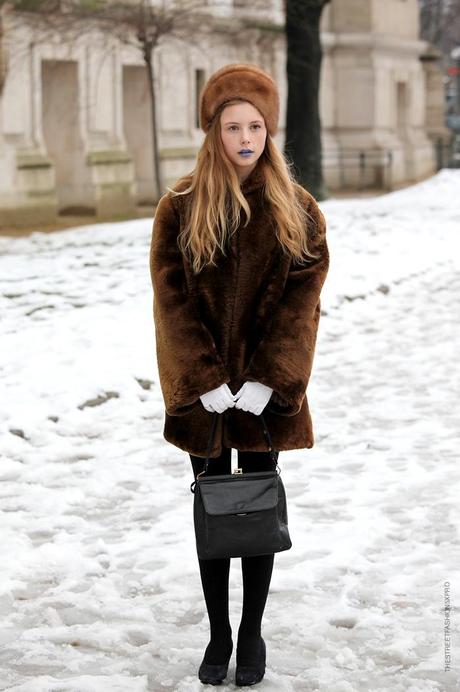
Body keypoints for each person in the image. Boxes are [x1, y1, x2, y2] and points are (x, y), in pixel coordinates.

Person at [149, 63, 330, 686]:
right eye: (233, 126)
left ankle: (250, 631)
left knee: (253, 506)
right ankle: (217, 632)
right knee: (212, 512)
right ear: (213, 132)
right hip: (203, 395)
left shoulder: (297, 209)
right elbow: (169, 301)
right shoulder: (180, 207)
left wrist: (269, 381)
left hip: (262, 397)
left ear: (269, 131)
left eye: (255, 125)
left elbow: (301, 305)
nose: (245, 137)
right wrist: (201, 377)